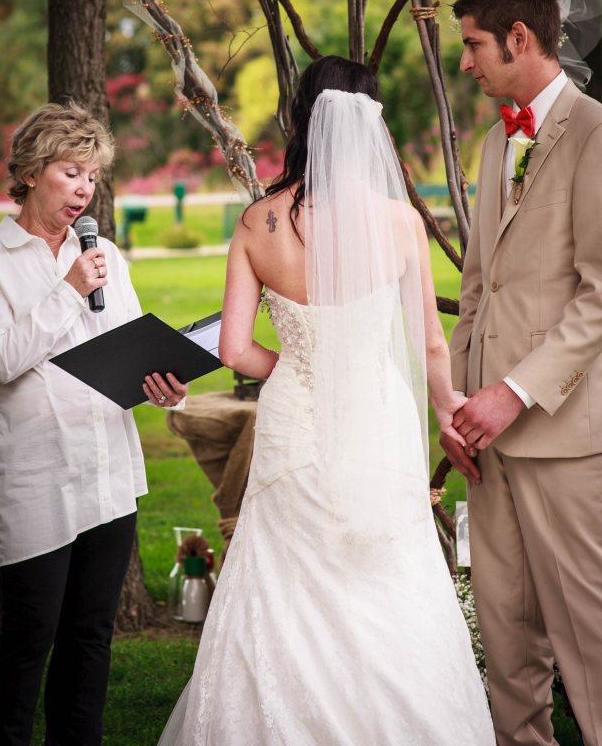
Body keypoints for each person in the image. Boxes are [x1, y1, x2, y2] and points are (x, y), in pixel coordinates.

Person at [157, 56, 495, 745]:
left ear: (301, 120)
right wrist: (444, 412)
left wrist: (299, 365)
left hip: (294, 416)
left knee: (284, 575)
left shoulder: (260, 222)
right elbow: (432, 345)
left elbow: (233, 351)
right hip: (375, 417)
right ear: (370, 124)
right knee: (385, 574)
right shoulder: (399, 223)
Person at [0, 103, 187, 746]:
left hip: (108, 468)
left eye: (92, 175)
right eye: (72, 171)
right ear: (33, 172)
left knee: (91, 635)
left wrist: (160, 384)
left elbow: (131, 345)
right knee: (30, 635)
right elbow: (1, 361)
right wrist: (65, 288)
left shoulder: (106, 253)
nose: (86, 188)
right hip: (36, 473)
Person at [446, 0, 602, 746]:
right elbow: (479, 291)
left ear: (520, 37)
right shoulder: (494, 141)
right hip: (487, 442)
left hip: (563, 434)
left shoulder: (598, 132)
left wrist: (513, 391)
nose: (466, 62)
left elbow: (600, 295)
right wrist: (457, 407)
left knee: (590, 645)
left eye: (474, 45)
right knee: (506, 649)